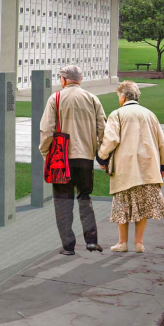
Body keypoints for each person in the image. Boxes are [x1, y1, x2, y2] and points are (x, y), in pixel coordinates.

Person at [39, 64, 107, 255]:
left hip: (62, 159)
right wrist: (101, 155)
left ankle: (68, 246)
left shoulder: (56, 98)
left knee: (63, 201)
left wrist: (46, 154)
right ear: (81, 79)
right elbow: (103, 129)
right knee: (85, 197)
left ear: (62, 79)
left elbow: (47, 130)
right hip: (85, 156)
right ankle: (91, 241)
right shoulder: (92, 99)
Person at [96, 81, 164, 253]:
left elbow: (110, 140)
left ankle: (122, 243)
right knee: (143, 205)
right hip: (148, 167)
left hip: (125, 168)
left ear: (123, 97)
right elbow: (161, 142)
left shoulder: (118, 114)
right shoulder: (149, 114)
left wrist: (102, 158)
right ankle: (139, 243)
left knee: (122, 204)